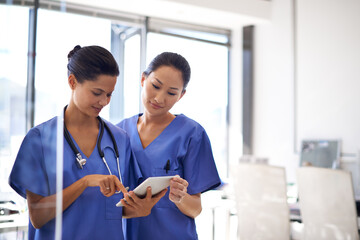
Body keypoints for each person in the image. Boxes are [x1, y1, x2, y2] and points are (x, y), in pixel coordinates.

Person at [8, 45, 165, 240]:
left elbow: (115, 209)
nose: (103, 101)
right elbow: (38, 217)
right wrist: (85, 182)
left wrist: (140, 208)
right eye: (97, 92)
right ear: (72, 82)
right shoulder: (39, 139)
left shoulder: (119, 139)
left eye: (109, 94)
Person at [117, 52, 221, 240]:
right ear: (143, 79)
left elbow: (196, 209)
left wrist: (180, 197)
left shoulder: (192, 134)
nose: (159, 98)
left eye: (171, 93)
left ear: (181, 95)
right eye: (155, 86)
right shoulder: (118, 133)